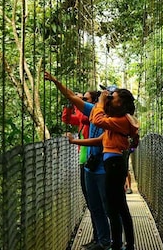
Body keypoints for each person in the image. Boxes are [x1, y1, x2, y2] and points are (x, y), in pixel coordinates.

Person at [44, 71, 111, 250]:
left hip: (105, 168)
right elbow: (71, 98)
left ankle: (110, 241)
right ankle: (101, 241)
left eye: (107, 95)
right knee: (95, 206)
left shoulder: (113, 118)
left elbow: (100, 140)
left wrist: (75, 141)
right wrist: (56, 81)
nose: (103, 97)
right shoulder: (93, 111)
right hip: (90, 167)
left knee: (108, 207)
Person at [90, 87, 139, 250]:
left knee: (113, 207)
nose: (112, 99)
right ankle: (127, 244)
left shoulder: (121, 121)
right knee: (120, 206)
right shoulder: (126, 119)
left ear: (122, 103)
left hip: (114, 164)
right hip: (116, 163)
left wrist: (101, 101)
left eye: (115, 98)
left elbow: (97, 120)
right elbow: (136, 138)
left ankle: (117, 245)